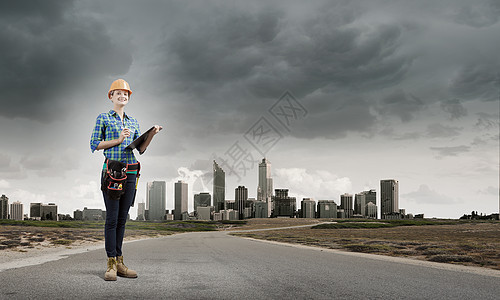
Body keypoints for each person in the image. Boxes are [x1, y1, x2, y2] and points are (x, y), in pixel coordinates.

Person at [90, 79, 162, 281]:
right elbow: (95, 144)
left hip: (131, 171)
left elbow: (141, 149)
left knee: (123, 219)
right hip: (113, 171)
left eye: (125, 94)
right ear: (111, 96)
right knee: (112, 219)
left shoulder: (133, 121)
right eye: (118, 93)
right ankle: (110, 263)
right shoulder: (103, 118)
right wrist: (119, 140)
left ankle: (120, 262)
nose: (122, 96)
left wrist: (152, 135)